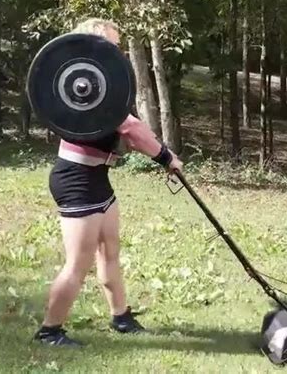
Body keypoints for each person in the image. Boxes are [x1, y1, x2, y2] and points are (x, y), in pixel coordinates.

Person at [34, 18, 183, 347]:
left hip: (97, 178)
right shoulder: (89, 93)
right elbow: (132, 130)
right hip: (76, 179)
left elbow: (123, 132)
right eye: (112, 48)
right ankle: (49, 331)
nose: (118, 54)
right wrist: (167, 159)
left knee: (109, 252)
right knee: (78, 263)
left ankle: (121, 318)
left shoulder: (103, 93)